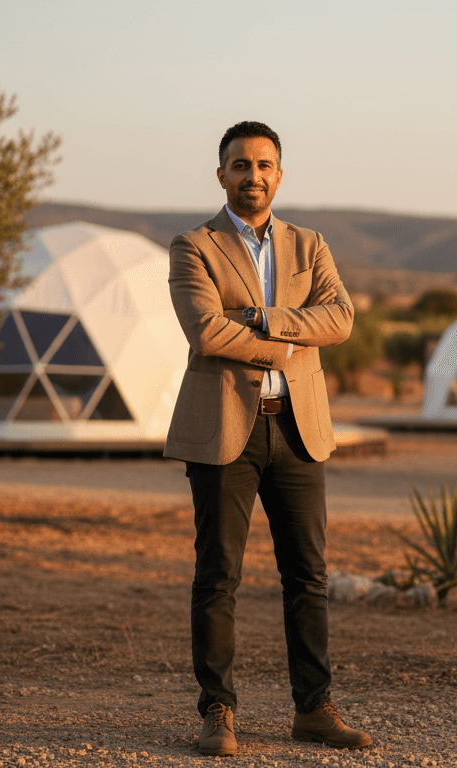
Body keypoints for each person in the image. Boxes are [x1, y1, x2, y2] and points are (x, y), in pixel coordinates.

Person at [164, 120, 370, 757]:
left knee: (308, 576)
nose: (252, 176)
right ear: (220, 174)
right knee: (217, 576)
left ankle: (313, 710)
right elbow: (206, 333)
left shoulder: (310, 245)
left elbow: (340, 319)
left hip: (300, 433)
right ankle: (217, 713)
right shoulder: (193, 245)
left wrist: (259, 319)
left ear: (279, 174)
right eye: (239, 165)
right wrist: (292, 340)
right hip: (226, 430)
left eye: (263, 165)